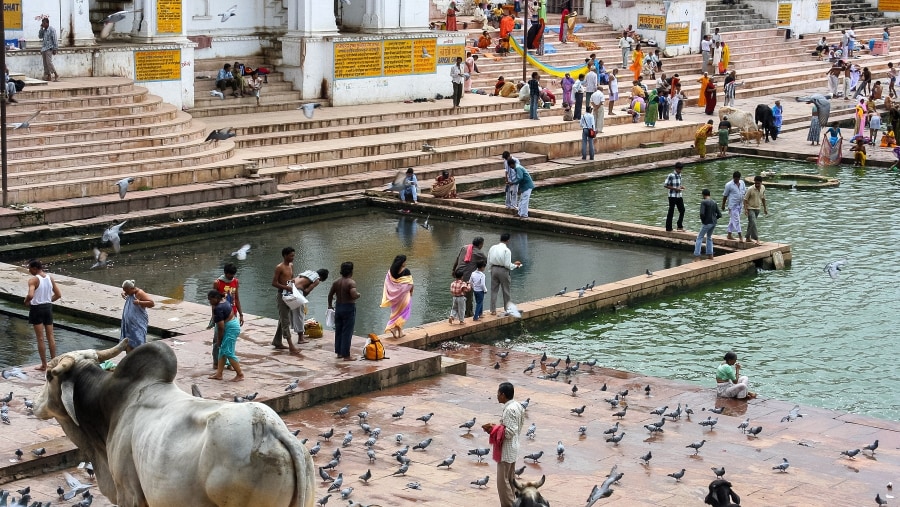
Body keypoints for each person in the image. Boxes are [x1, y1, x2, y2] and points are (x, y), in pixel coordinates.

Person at [482, 382, 525, 507]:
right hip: (514, 447)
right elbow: (519, 426)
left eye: (498, 393)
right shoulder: (518, 406)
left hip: (506, 450)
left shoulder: (509, 410)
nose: (497, 396)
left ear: (503, 395)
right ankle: (515, 503)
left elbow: (509, 432)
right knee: (511, 480)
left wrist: (494, 429)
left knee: (503, 482)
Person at [24, 259, 61, 371]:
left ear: (35, 268)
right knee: (50, 336)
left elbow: (30, 295)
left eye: (30, 268)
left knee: (40, 338)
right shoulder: (50, 278)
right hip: (48, 308)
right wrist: (47, 300)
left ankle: (44, 365)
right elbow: (58, 295)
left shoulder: (33, 280)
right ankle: (54, 363)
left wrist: (26, 302)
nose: (29, 270)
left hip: (37, 309)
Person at [207, 290, 244, 382]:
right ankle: (219, 374)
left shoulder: (218, 308)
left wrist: (219, 340)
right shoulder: (224, 300)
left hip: (231, 329)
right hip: (232, 325)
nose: (209, 302)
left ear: (215, 298)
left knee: (228, 352)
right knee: (222, 352)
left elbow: (220, 328)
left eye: (210, 300)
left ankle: (240, 374)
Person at [327, 261, 360, 361]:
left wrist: (329, 306)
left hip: (338, 307)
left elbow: (330, 295)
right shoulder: (351, 282)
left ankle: (339, 353)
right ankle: (346, 355)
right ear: (351, 271)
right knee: (347, 332)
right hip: (348, 307)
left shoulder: (336, 282)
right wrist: (359, 295)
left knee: (339, 330)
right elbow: (354, 295)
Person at [271, 247, 300, 353]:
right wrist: (285, 287)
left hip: (289, 294)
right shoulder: (279, 267)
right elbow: (274, 283)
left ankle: (277, 341)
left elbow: (291, 278)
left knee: (283, 319)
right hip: (282, 295)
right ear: (285, 256)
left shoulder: (291, 265)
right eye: (291, 255)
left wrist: (292, 282)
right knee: (285, 320)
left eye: (293, 255)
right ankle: (291, 346)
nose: (293, 257)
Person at [451, 237, 487, 318]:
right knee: (468, 296)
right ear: (480, 244)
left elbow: (457, 259)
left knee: (458, 294)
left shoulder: (464, 247)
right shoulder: (479, 253)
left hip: (458, 274)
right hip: (467, 277)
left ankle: (456, 313)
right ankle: (467, 314)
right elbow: (484, 262)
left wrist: (453, 270)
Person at [487, 233, 522, 315]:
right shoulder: (507, 250)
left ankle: (493, 310)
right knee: (506, 291)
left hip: (494, 269)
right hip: (503, 270)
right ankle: (507, 309)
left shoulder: (493, 247)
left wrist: (490, 270)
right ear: (508, 240)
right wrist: (515, 266)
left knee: (493, 290)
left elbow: (488, 260)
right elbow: (507, 264)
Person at [290, 269, 328, 342]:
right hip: (297, 291)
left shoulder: (308, 272)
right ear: (323, 278)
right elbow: (307, 291)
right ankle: (300, 339)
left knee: (290, 313)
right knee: (300, 314)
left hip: (289, 288)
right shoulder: (317, 279)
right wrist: (303, 300)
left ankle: (285, 334)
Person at [382, 254, 414, 339]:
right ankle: (394, 328)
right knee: (404, 314)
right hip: (404, 297)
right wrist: (411, 292)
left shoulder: (391, 271)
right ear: (401, 262)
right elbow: (410, 284)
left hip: (395, 298)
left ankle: (400, 333)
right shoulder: (406, 271)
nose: (405, 263)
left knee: (397, 314)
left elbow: (387, 284)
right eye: (405, 261)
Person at [119, 280, 154, 353]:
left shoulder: (140, 293)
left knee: (138, 341)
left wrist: (139, 302)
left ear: (132, 288)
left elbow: (151, 303)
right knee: (128, 342)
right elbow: (127, 292)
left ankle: (139, 356)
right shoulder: (130, 292)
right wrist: (124, 293)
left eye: (127, 291)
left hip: (138, 323)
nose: (127, 293)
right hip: (129, 324)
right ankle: (129, 359)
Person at [693, 188, 722, 261]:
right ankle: (710, 255)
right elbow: (719, 214)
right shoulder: (714, 202)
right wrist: (715, 219)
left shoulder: (704, 202)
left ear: (703, 195)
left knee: (699, 237)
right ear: (709, 194)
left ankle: (697, 256)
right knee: (709, 237)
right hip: (713, 222)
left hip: (707, 222)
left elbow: (702, 213)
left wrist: (703, 221)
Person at [722, 171, 746, 241]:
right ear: (733, 178)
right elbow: (725, 195)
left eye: (738, 179)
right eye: (735, 179)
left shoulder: (742, 183)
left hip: (740, 204)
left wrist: (745, 204)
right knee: (737, 220)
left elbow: (744, 192)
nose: (737, 180)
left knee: (733, 220)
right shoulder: (729, 185)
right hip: (733, 206)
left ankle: (729, 234)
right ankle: (740, 236)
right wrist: (723, 205)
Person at [743, 175, 768, 245]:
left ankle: (747, 237)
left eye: (758, 183)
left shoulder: (763, 188)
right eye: (755, 183)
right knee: (753, 222)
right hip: (750, 208)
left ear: (761, 183)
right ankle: (756, 239)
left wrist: (765, 208)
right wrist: (745, 209)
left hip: (758, 208)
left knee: (751, 223)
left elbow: (763, 198)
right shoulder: (750, 189)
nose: (757, 185)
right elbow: (745, 199)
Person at [664, 162, 685, 232]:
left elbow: (678, 184)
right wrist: (675, 189)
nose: (680, 171)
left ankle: (679, 226)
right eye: (679, 169)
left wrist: (681, 187)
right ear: (676, 168)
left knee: (682, 210)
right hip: (672, 196)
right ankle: (668, 227)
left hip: (679, 195)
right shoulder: (671, 175)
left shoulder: (680, 175)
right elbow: (666, 185)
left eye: (681, 169)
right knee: (671, 211)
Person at [38, 18, 59, 82]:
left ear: (47, 23)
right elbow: (40, 36)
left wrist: (55, 49)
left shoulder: (52, 30)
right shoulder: (44, 30)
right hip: (44, 49)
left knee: (49, 62)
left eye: (44, 23)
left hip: (49, 48)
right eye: (42, 23)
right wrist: (41, 28)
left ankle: (56, 74)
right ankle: (48, 76)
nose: (43, 24)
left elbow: (55, 39)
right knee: (45, 63)